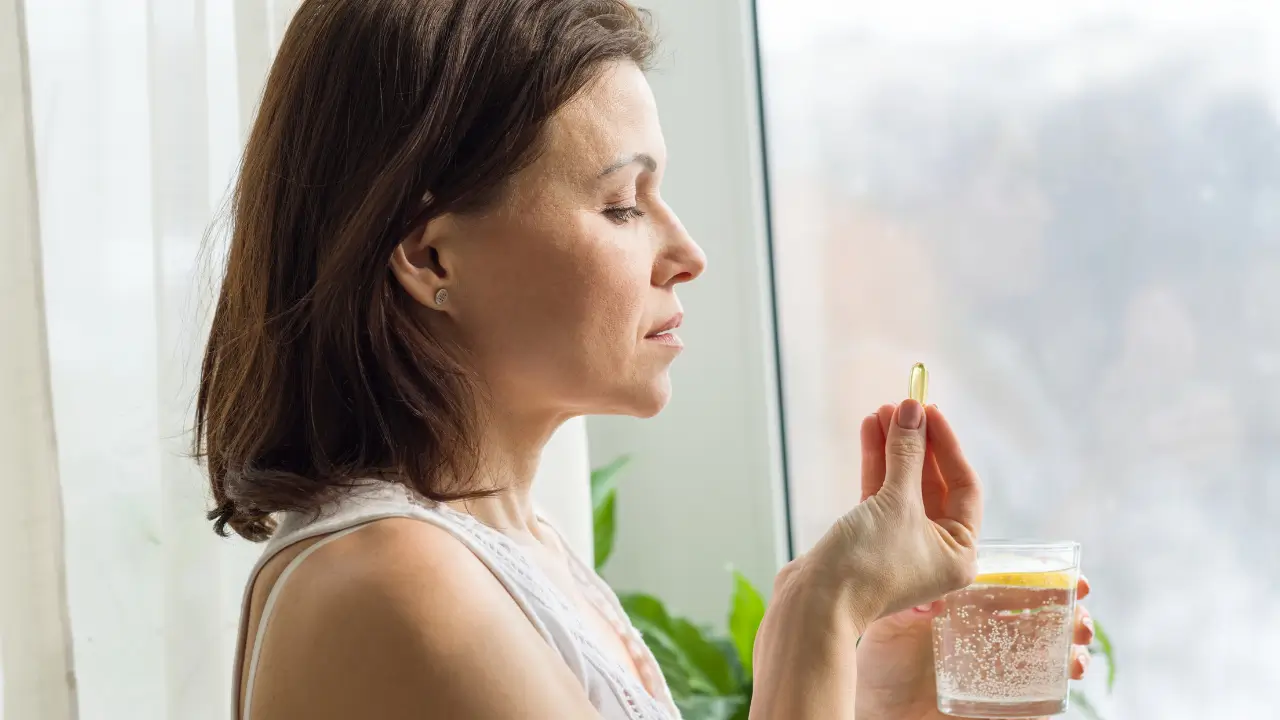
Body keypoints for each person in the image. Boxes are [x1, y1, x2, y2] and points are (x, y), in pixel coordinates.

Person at [195, 1, 1095, 717]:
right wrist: (816, 617)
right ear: (432, 258)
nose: (687, 252)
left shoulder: (518, 553)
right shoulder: (396, 584)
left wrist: (871, 698)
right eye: (625, 203)